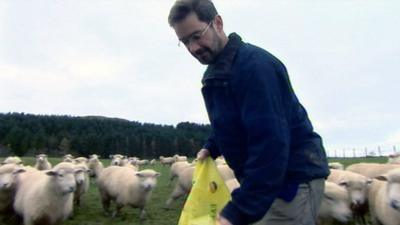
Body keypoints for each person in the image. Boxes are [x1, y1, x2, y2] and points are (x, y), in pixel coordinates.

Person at [168, 1, 330, 225]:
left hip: (290, 179)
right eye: (185, 41)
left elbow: (270, 143)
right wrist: (211, 145)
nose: (193, 48)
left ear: (218, 23)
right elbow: (232, 121)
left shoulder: (255, 68)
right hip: (266, 180)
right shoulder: (217, 73)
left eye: (197, 36)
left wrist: (238, 211)